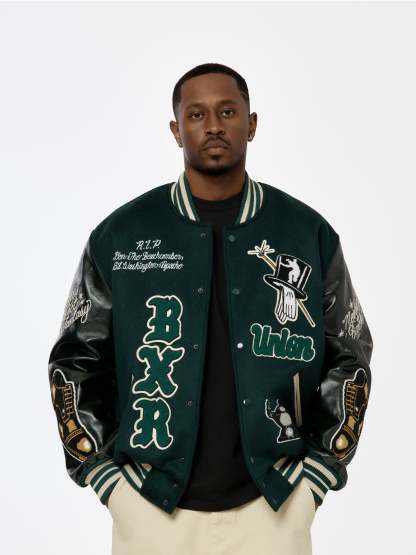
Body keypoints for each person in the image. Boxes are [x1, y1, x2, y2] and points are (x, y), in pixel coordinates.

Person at [48, 62, 373, 555]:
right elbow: (75, 360)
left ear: (252, 123)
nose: (214, 125)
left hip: (275, 502)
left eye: (228, 111)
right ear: (176, 130)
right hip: (151, 505)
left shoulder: (305, 233)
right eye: (197, 114)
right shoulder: (122, 235)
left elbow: (350, 353)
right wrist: (106, 480)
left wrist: (318, 475)